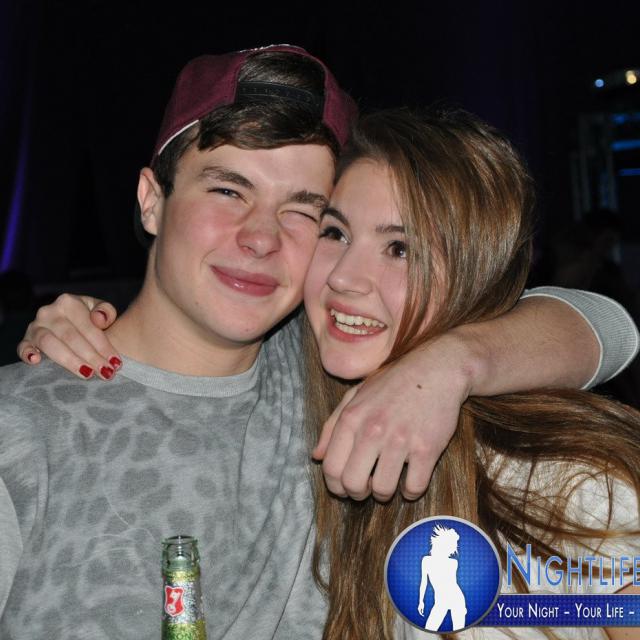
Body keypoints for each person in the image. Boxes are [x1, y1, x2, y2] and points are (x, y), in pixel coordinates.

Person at [7, 46, 639, 637]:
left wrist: (452, 365)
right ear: (152, 200)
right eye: (228, 189)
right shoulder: (23, 428)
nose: (261, 238)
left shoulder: (339, 377)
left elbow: (613, 327)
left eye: (305, 212)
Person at [300, 107, 640, 640]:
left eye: (400, 248)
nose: (344, 277)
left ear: (475, 274)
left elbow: (618, 328)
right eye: (336, 232)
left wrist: (452, 362)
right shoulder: (292, 408)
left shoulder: (567, 478)